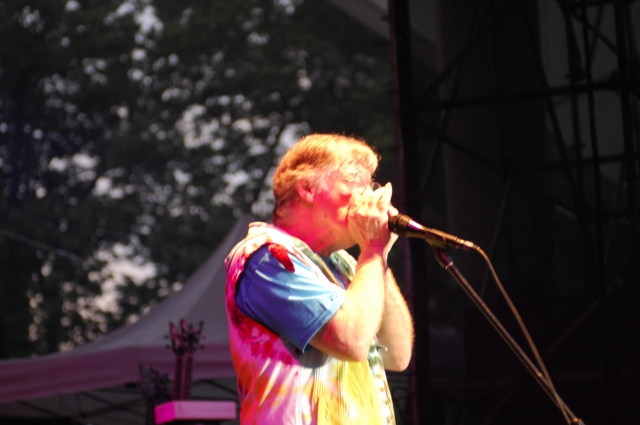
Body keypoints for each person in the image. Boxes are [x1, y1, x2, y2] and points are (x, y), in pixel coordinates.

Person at [224, 133, 414, 424]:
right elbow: (351, 341)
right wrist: (373, 249)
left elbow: (397, 356)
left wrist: (381, 255)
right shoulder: (265, 256)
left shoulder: (348, 265)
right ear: (308, 189)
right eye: (355, 182)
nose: (368, 198)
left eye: (371, 186)